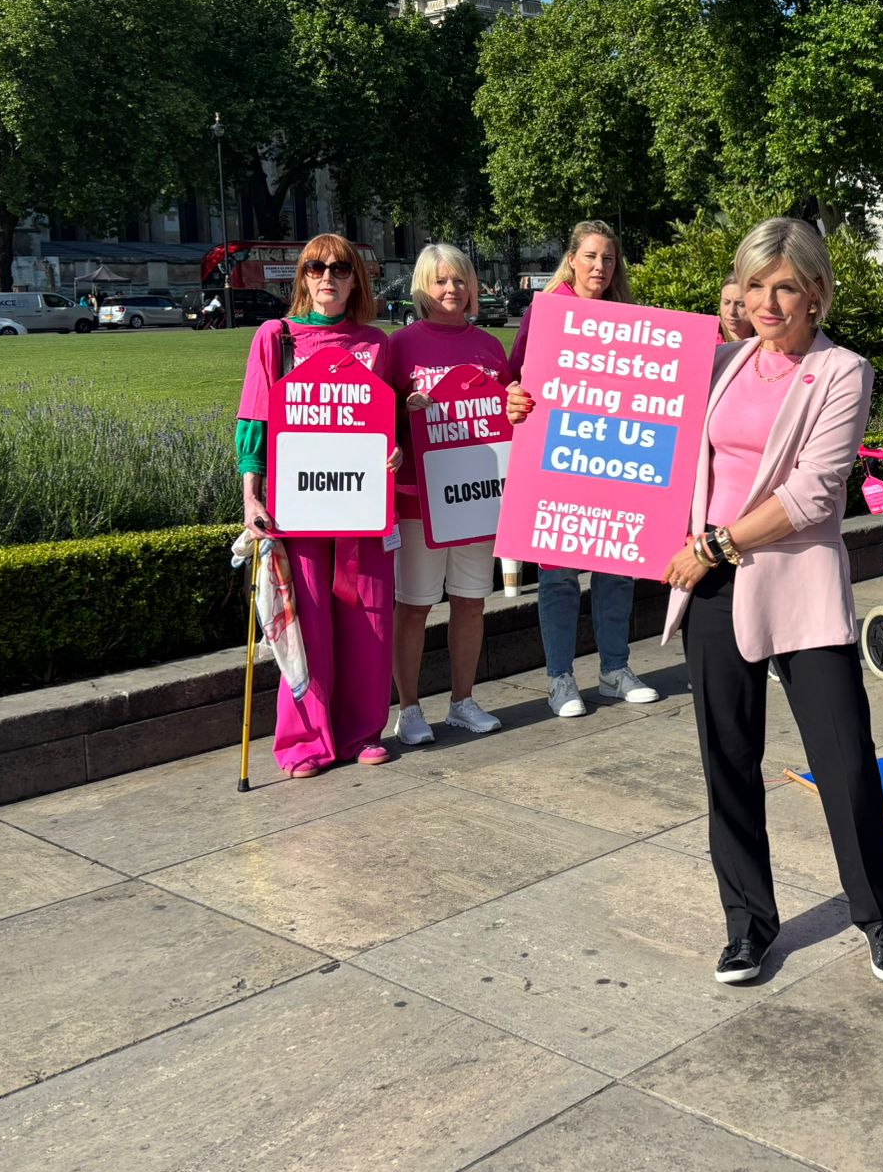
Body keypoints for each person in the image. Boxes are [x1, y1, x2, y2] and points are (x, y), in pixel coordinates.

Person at [660, 217, 883, 987]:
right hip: (714, 587)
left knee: (844, 759)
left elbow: (813, 493)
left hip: (795, 579)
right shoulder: (723, 363)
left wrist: (715, 544)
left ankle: (880, 916)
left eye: (784, 288)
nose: (766, 303)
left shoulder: (843, 371)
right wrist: (531, 407)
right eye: (754, 286)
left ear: (816, 294)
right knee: (728, 761)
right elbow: (629, 427)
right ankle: (747, 925)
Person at [234, 233, 395, 777]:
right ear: (302, 277)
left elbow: (386, 422)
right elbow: (254, 421)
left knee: (369, 617)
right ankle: (306, 740)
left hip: (362, 506)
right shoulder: (276, 337)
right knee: (306, 622)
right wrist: (251, 498)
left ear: (356, 280)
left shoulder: (376, 344)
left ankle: (363, 732)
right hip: (298, 505)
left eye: (340, 268)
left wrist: (394, 451)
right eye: (315, 267)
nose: (328, 277)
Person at [505, 221, 659, 713]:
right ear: (571, 259)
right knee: (558, 577)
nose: (599, 266)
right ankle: (561, 679)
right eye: (590, 256)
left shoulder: (630, 319)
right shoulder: (546, 313)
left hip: (615, 460)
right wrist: (513, 395)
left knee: (617, 570)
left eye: (608, 258)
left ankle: (615, 669)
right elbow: (514, 376)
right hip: (557, 461)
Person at [382, 243, 510, 747]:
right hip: (419, 497)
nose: (451, 289)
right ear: (422, 287)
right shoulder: (400, 346)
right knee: (414, 605)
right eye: (440, 280)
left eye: (459, 280)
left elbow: (508, 415)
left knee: (472, 603)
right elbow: (377, 416)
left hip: (478, 499)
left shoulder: (490, 346)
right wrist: (403, 413)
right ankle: (409, 708)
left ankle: (463, 701)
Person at [718, 273, 753, 342]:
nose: (731, 311)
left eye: (741, 304)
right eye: (726, 302)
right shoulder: (707, 337)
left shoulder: (770, 342)